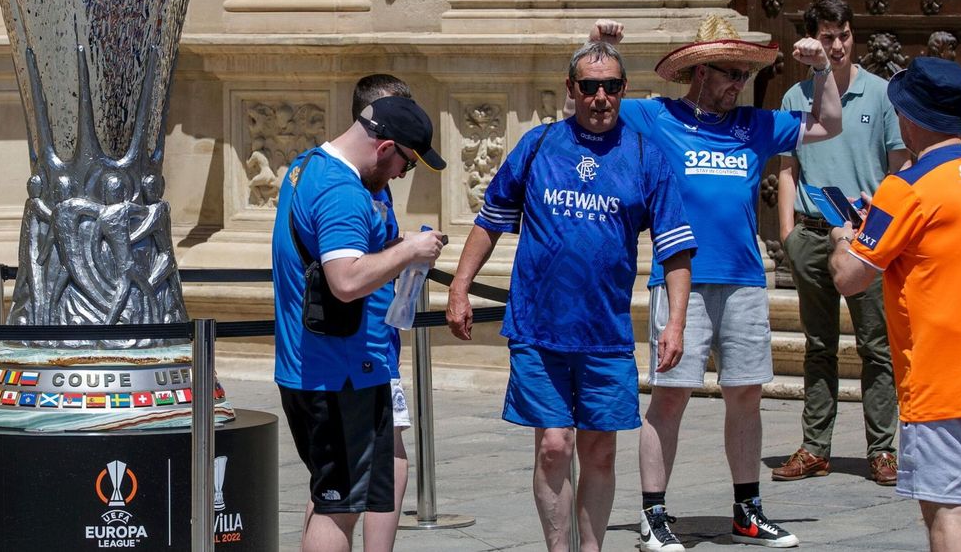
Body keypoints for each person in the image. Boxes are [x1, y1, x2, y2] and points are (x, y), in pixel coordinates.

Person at [593, 13, 841, 550]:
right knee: (671, 396)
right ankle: (653, 513)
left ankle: (747, 511)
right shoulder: (658, 116)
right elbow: (593, 110)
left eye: (744, 74)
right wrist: (601, 48)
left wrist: (822, 70)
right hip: (679, 279)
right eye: (730, 73)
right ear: (701, 72)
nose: (739, 83)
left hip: (744, 278)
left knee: (746, 395)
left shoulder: (755, 124)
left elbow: (827, 125)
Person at [446, 41, 696, 551]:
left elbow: (675, 249)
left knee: (600, 452)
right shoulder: (538, 145)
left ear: (624, 89)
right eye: (589, 86)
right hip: (539, 329)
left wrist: (675, 323)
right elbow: (490, 221)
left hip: (606, 334)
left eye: (611, 86)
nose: (600, 96)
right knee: (554, 448)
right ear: (571, 88)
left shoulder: (646, 156)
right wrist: (459, 287)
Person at [828, 56, 961, 552]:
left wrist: (843, 239)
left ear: (910, 119)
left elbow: (850, 279)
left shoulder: (906, 187)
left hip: (943, 376)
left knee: (945, 509)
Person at [273, 95, 448, 552]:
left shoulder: (307, 166)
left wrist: (396, 245)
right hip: (340, 372)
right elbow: (346, 281)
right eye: (406, 164)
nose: (400, 176)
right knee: (340, 508)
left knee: (332, 495)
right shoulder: (344, 192)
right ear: (385, 147)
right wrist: (409, 251)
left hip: (311, 366)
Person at [772, 0, 909, 486]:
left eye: (844, 35)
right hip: (812, 234)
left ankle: (882, 450)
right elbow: (787, 170)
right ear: (813, 40)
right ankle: (815, 447)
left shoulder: (881, 94)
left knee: (877, 346)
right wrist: (787, 235)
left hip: (867, 237)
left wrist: (884, 227)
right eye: (827, 37)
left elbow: (900, 169)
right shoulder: (795, 97)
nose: (837, 45)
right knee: (818, 345)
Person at [349, 74, 416, 552]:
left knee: (343, 469)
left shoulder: (377, 180)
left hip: (378, 336)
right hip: (364, 342)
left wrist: (404, 248)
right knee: (382, 459)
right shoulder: (352, 182)